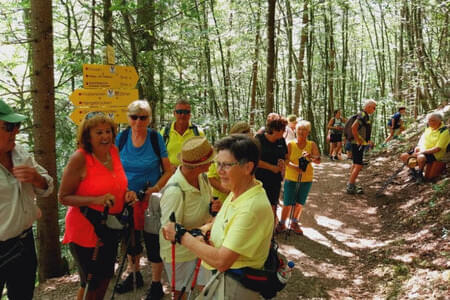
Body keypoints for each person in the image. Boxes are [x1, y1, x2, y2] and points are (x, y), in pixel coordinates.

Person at [161, 134, 273, 299]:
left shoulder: (250, 208)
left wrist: (182, 235)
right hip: (225, 279)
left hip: (234, 286)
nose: (219, 171)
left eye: (226, 165)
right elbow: (221, 222)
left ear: (248, 167)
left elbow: (222, 261)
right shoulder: (237, 191)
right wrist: (204, 230)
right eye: (217, 164)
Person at [59, 113, 136, 300]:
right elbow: (63, 197)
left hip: (108, 227)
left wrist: (127, 193)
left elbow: (117, 182)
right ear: (88, 136)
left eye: (108, 131)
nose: (105, 136)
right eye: (99, 132)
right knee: (90, 283)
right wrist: (95, 200)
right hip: (85, 229)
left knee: (105, 278)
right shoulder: (80, 158)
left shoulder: (114, 152)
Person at [114, 100, 171, 299]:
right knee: (131, 239)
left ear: (149, 119)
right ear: (128, 118)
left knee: (153, 240)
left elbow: (168, 170)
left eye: (143, 117)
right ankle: (134, 274)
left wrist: (155, 188)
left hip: (151, 199)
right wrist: (125, 190)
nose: (138, 121)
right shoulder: (121, 138)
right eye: (134, 117)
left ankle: (156, 284)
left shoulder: (155, 139)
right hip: (128, 198)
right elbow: (113, 168)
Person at [0, 99, 54, 300]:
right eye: (9, 127)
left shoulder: (20, 152)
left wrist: (36, 178)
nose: (15, 132)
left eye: (17, 126)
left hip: (24, 244)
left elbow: (48, 185)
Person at [159, 136, 216, 299]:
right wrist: (197, 233)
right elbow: (167, 231)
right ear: (198, 166)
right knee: (181, 293)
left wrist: (211, 208)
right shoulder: (175, 191)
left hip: (201, 245)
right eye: (209, 160)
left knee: (207, 289)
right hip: (179, 253)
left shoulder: (202, 178)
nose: (212, 163)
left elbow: (205, 205)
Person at [276, 121, 321, 235]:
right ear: (295, 130)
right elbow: (286, 160)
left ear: (308, 132)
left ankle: (294, 222)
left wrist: (310, 157)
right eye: (299, 129)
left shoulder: (311, 144)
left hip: (306, 177)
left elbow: (318, 160)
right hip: (291, 176)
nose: (301, 132)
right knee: (287, 202)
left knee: (300, 202)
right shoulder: (290, 144)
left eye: (304, 130)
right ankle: (282, 223)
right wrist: (296, 167)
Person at [207, 121, 251, 203]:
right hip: (221, 201)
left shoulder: (247, 153)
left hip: (242, 199)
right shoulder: (222, 152)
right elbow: (211, 178)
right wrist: (229, 191)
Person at [400, 113, 450, 183]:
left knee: (421, 157)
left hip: (435, 154)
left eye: (433, 120)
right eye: (429, 121)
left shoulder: (444, 131)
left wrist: (421, 152)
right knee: (404, 156)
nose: (430, 122)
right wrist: (418, 147)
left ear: (440, 121)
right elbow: (422, 139)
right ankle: (414, 173)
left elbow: (437, 149)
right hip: (423, 150)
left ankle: (420, 176)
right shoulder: (428, 128)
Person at [255, 114, 288, 219]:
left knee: (273, 205)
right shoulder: (259, 139)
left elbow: (286, 156)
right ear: (275, 129)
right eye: (283, 129)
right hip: (260, 179)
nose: (284, 132)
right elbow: (254, 160)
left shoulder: (281, 141)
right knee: (260, 206)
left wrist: (283, 163)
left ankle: (271, 231)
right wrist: (271, 167)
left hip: (275, 179)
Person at [160, 99, 204, 171]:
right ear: (174, 113)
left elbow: (204, 156)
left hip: (192, 175)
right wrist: (169, 166)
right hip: (170, 176)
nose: (183, 115)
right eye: (179, 112)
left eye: (186, 112)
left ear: (190, 114)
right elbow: (157, 155)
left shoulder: (198, 133)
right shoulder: (164, 132)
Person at [346, 99, 377, 194]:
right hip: (357, 144)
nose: (374, 110)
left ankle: (351, 183)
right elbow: (354, 128)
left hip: (357, 143)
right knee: (358, 165)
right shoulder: (363, 115)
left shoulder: (364, 115)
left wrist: (367, 141)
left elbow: (361, 130)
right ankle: (351, 187)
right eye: (374, 108)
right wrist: (359, 140)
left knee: (356, 164)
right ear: (368, 107)